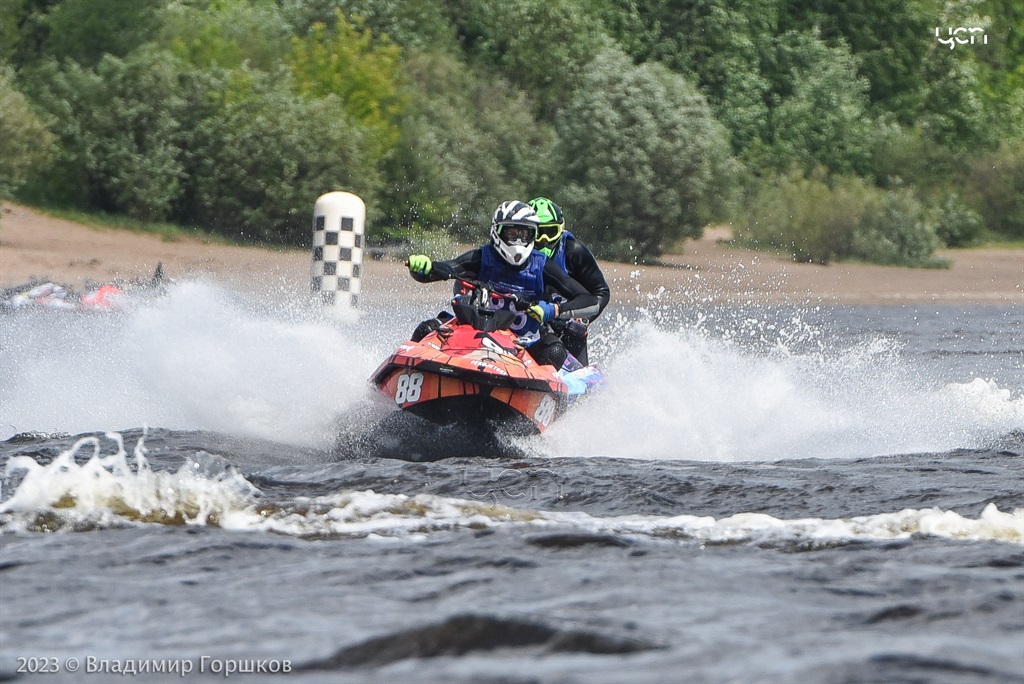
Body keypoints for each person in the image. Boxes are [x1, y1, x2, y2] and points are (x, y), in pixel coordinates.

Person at [407, 200, 600, 369]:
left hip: (523, 346)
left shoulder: (543, 267)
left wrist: (553, 310)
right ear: (497, 231)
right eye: (512, 233)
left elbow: (590, 301)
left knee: (555, 352)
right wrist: (424, 266)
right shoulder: (481, 257)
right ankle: (404, 373)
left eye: (524, 234)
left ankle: (545, 399)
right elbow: (445, 269)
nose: (518, 240)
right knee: (427, 329)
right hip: (471, 337)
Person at [527, 197, 610, 365]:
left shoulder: (575, 251)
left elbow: (601, 292)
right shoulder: (516, 252)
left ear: (560, 230)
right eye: (537, 233)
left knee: (574, 335)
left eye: (550, 233)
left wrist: (581, 320)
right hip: (528, 320)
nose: (543, 240)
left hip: (566, 321)